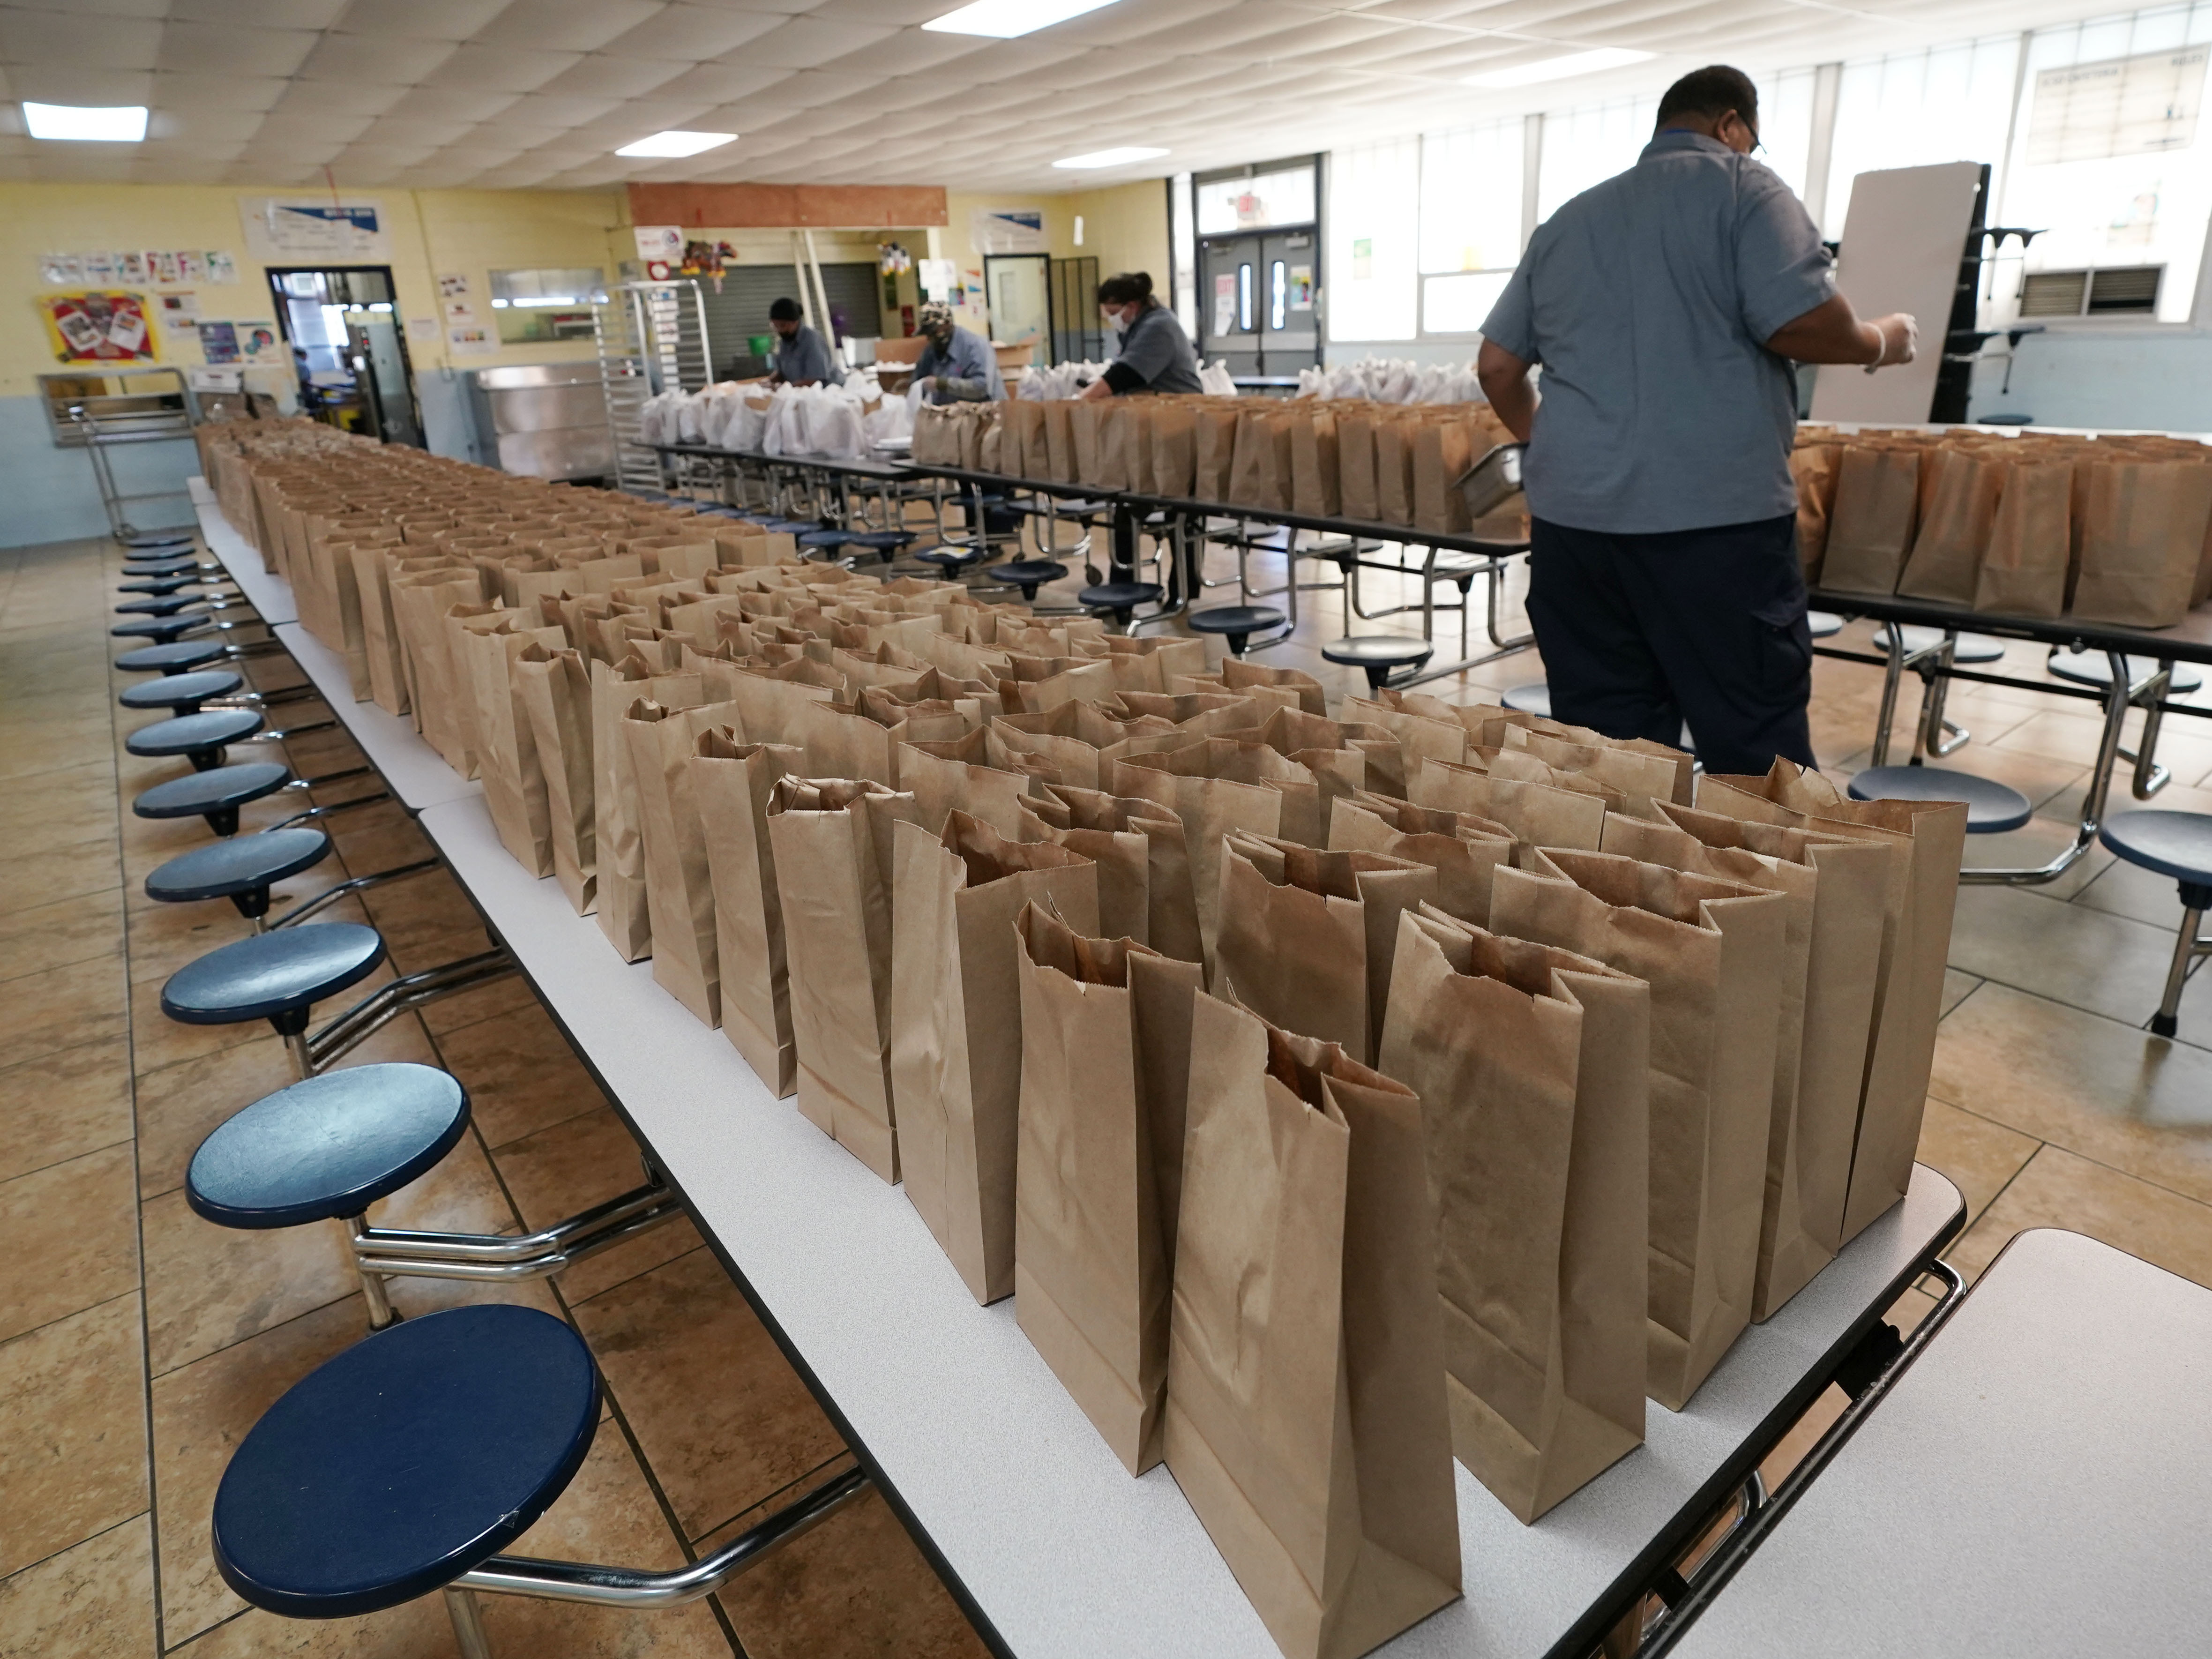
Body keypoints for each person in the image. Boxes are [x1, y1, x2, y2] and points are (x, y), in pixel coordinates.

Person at [1475, 63, 1918, 778]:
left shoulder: (1568, 220)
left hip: (1575, 535)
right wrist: (1880, 341)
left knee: (1608, 751)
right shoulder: (1746, 189)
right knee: (1753, 751)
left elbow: (1497, 367)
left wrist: (1550, 445)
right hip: (1716, 532)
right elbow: (1802, 323)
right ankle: (1754, 886)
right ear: (1732, 125)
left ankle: (1619, 884)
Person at [1078, 271, 1202, 400]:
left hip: (1179, 403)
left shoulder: (1159, 326)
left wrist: (1082, 398)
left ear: (1132, 306)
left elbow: (1126, 373)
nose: (1111, 319)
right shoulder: (1137, 327)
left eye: (1114, 313)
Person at [911, 300, 1004, 403]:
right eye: (928, 334)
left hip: (986, 413)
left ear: (948, 324)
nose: (930, 338)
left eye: (934, 332)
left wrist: (941, 384)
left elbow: (982, 387)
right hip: (950, 414)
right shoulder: (931, 350)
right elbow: (918, 379)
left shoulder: (976, 346)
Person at [766, 296, 843, 388]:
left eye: (782, 326)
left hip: (829, 393)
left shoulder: (812, 340)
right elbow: (781, 374)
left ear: (795, 322)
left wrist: (785, 388)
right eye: (775, 326)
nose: (779, 330)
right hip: (800, 393)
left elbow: (815, 380)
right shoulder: (785, 342)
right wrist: (766, 383)